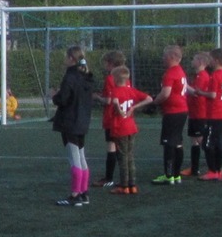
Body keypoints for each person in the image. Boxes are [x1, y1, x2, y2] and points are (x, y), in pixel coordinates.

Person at [51, 46, 94, 207]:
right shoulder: (86, 76)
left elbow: (64, 99)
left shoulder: (70, 77)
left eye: (66, 57)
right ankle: (83, 193)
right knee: (81, 157)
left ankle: (75, 195)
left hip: (70, 121)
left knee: (74, 158)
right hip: (82, 121)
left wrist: (55, 96)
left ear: (71, 58)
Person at [107, 65, 153, 195]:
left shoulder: (115, 90)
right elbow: (149, 99)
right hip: (131, 126)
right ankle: (133, 184)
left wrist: (119, 109)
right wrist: (134, 107)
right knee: (130, 156)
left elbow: (115, 102)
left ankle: (124, 185)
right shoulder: (131, 90)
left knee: (122, 157)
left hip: (120, 127)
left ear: (115, 78)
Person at [151, 46, 189, 186]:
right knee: (178, 142)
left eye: (165, 56)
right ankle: (176, 174)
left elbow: (165, 93)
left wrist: (154, 103)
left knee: (169, 144)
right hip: (182, 110)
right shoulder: (180, 71)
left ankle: (169, 175)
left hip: (173, 111)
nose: (163, 58)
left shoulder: (171, 72)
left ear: (172, 57)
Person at [92, 50, 126, 188]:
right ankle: (125, 179)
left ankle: (109, 178)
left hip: (112, 117)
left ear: (111, 63)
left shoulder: (111, 78)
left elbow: (109, 100)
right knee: (123, 148)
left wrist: (97, 97)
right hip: (124, 116)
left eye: (106, 63)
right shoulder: (125, 77)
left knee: (112, 146)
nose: (105, 66)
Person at [201, 48, 222, 181]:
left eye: (210, 59)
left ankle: (213, 170)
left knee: (208, 143)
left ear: (216, 60)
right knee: (218, 141)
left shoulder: (216, 75)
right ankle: (218, 169)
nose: (208, 61)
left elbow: (213, 94)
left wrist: (199, 92)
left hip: (215, 113)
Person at [184, 53, 215, 177]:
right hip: (194, 112)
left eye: (194, 59)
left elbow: (197, 93)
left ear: (201, 62)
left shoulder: (203, 76)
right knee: (194, 140)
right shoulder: (198, 75)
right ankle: (194, 168)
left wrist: (184, 85)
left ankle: (214, 166)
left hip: (200, 112)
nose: (192, 61)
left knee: (201, 139)